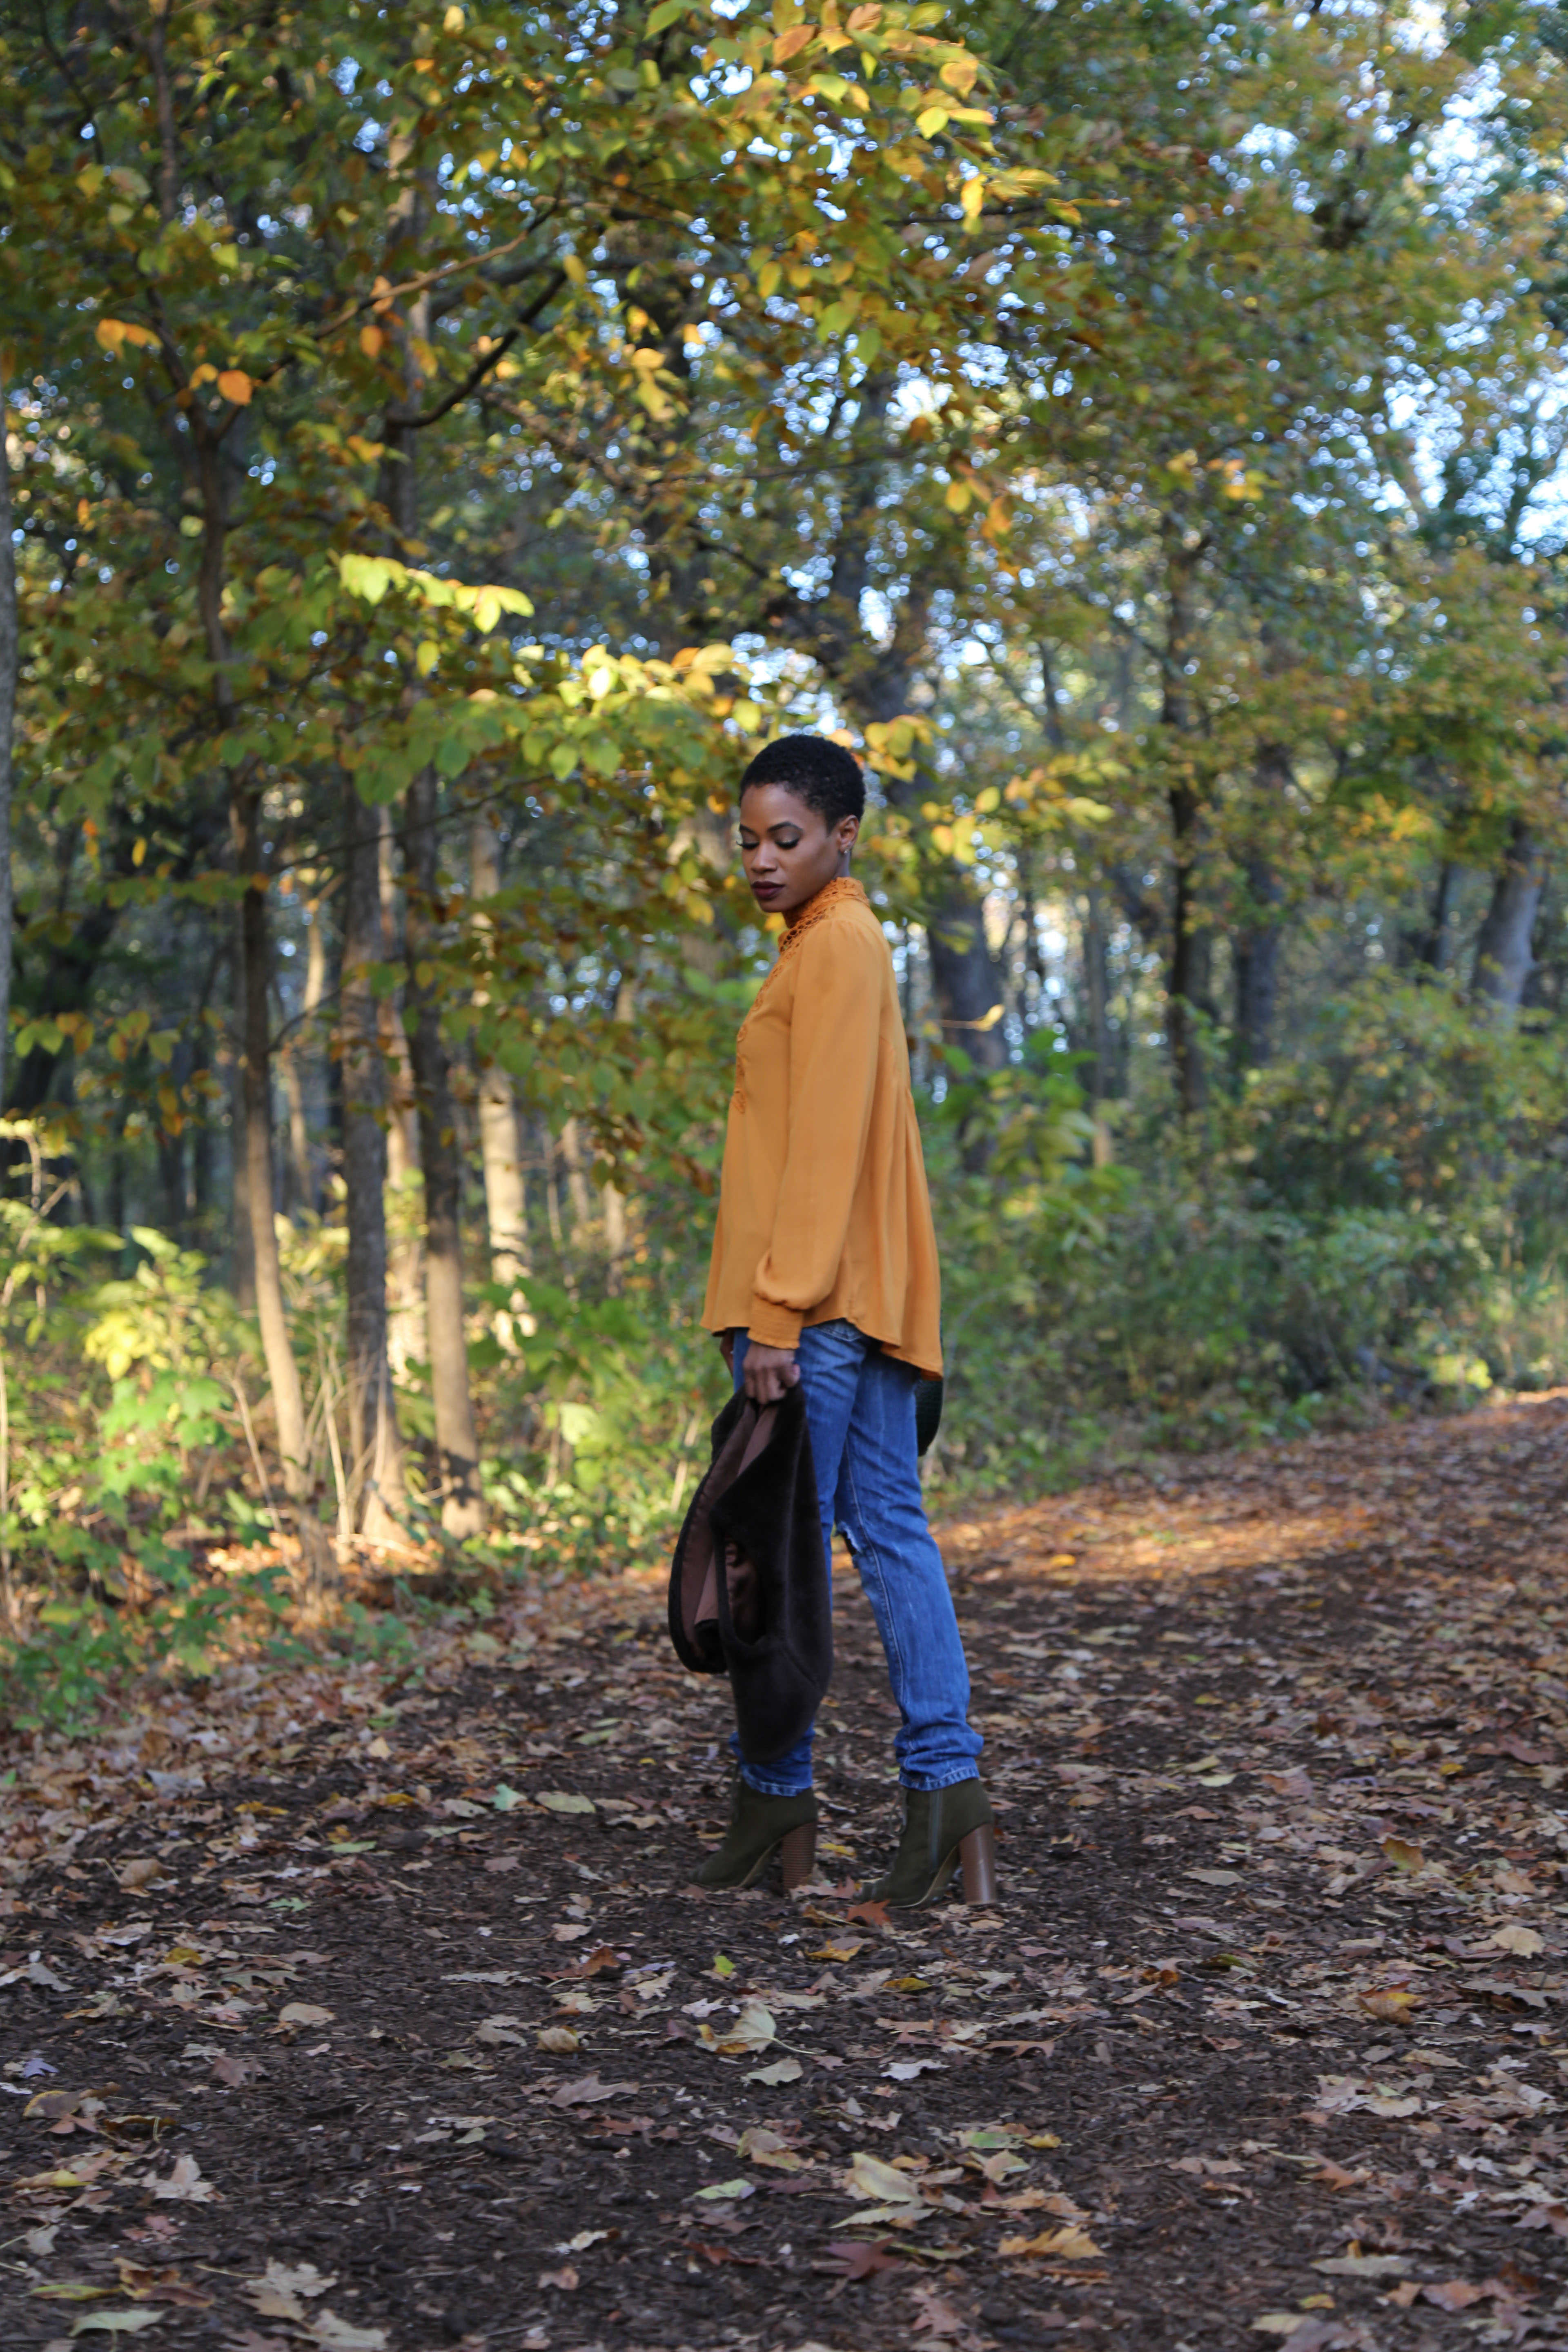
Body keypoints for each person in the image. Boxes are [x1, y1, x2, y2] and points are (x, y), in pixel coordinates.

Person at [698, 733, 995, 1908]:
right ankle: (945, 1792)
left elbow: (819, 1149)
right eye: (749, 841)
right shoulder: (836, 946)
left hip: (812, 1311)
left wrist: (775, 1313)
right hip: (856, 1301)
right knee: (888, 1529)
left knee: (775, 1558)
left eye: (788, 839)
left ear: (842, 838)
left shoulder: (834, 950)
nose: (763, 860)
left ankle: (779, 1792)